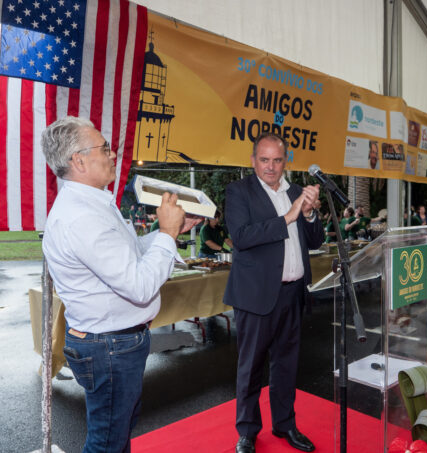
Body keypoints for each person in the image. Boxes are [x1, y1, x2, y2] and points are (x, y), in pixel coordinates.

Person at [41, 116, 200, 453]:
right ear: (79, 161)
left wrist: (169, 232)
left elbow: (129, 253)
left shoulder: (92, 204)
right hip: (109, 346)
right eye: (104, 148)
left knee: (117, 431)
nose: (113, 154)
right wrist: (167, 232)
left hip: (111, 343)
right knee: (108, 442)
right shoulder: (83, 216)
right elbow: (140, 286)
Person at [224, 132, 324, 453]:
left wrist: (308, 214)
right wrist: (290, 215)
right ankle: (247, 431)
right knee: (251, 367)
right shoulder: (239, 191)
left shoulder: (295, 192)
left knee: (286, 364)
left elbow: (316, 240)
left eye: (277, 160)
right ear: (253, 160)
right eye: (264, 159)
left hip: (293, 292)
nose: (270, 166)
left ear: (285, 162)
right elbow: (242, 236)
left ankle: (285, 424)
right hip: (255, 295)